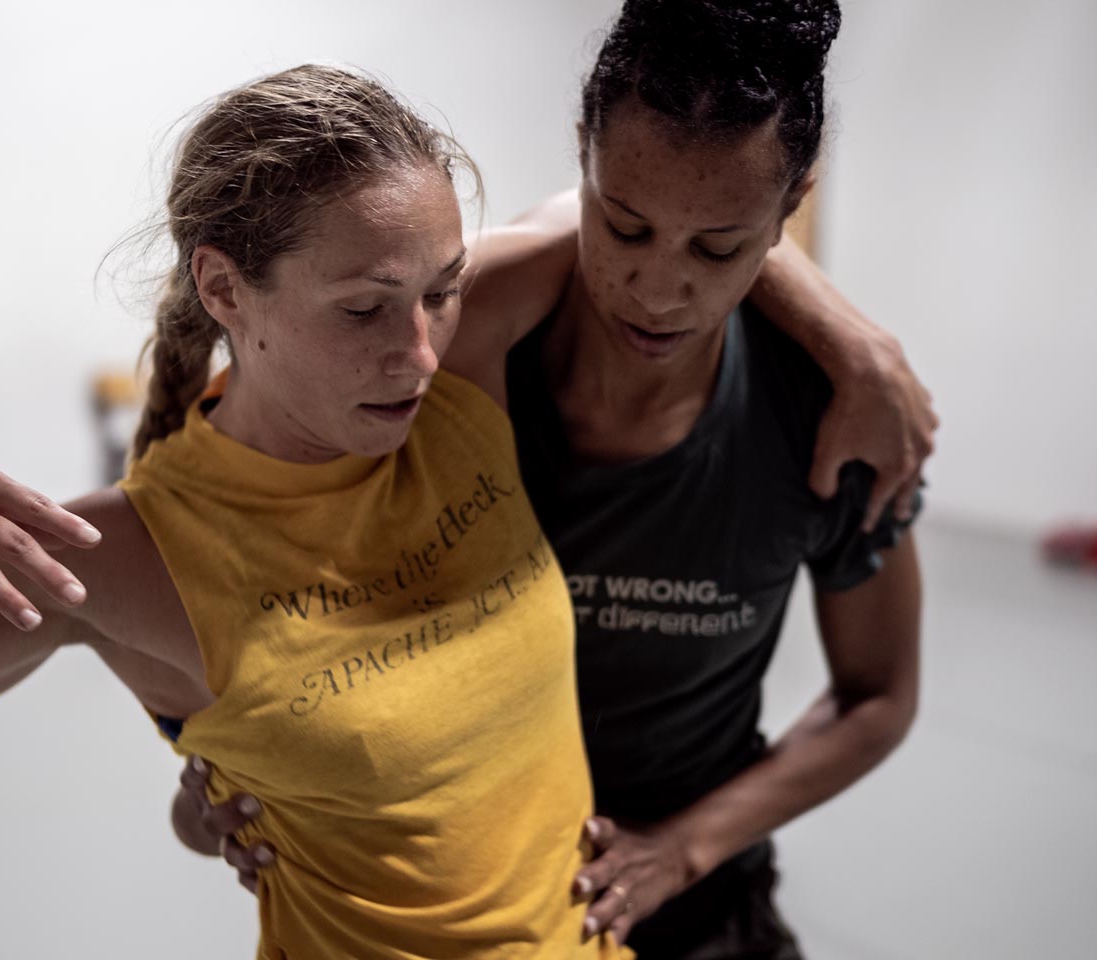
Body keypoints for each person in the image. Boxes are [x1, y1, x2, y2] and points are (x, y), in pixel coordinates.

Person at [0, 64, 633, 959]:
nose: (421, 353)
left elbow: (686, 211)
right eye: (364, 309)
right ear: (224, 290)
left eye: (440, 291)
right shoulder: (124, 552)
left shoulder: (464, 366)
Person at [181, 2, 924, 956]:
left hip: (704, 911)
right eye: (624, 226)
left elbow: (879, 696)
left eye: (718, 248)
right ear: (581, 157)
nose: (658, 291)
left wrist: (685, 847)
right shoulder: (449, 353)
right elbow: (260, 526)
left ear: (790, 209)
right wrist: (254, 766)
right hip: (469, 913)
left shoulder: (833, 417)